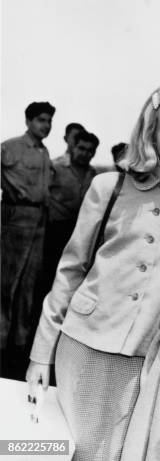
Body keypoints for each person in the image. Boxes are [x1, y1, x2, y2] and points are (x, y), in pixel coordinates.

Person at [26, 80, 160, 460]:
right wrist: (41, 354)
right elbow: (70, 271)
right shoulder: (107, 188)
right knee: (70, 450)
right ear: (149, 133)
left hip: (151, 361)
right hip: (83, 345)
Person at [1, 101, 55, 380]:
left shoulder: (45, 152)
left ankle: (19, 342)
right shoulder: (9, 147)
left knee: (28, 284)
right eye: (41, 120)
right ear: (29, 120)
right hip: (16, 218)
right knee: (6, 282)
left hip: (39, 221)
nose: (45, 126)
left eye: (48, 121)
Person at [40, 130, 100, 298]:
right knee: (48, 277)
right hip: (53, 232)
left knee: (71, 279)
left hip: (78, 232)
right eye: (81, 148)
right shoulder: (55, 167)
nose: (85, 153)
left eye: (90, 150)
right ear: (73, 147)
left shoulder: (93, 174)